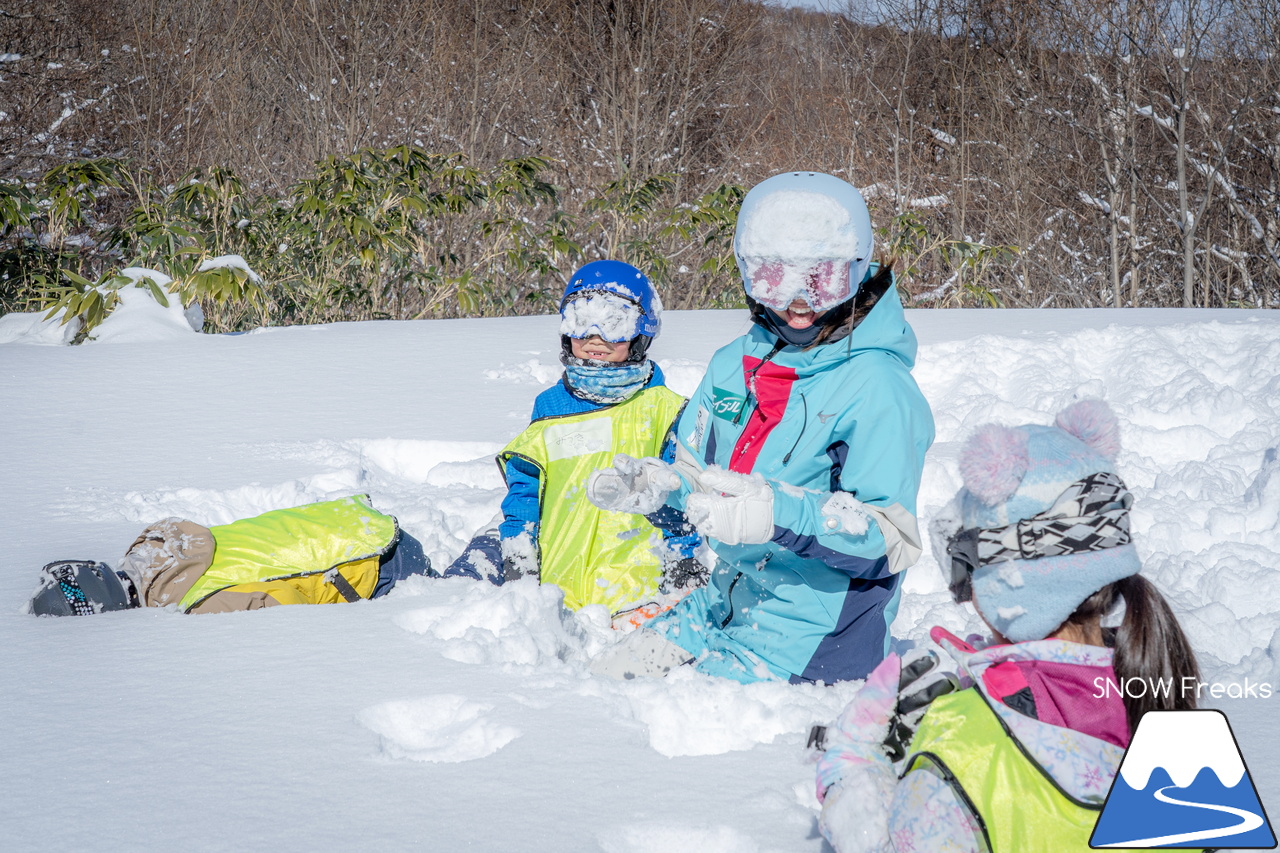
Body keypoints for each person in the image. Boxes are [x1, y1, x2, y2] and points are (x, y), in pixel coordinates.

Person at [587, 171, 934, 683]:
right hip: (722, 602)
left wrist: (777, 513)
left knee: (649, 729)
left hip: (813, 644)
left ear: (857, 271)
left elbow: (891, 541)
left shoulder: (879, 389)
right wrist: (663, 491)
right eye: (774, 277)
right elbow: (699, 480)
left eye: (821, 279)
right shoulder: (733, 364)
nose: (797, 303)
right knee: (604, 683)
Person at [814, 399, 1201, 853]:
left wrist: (857, 769)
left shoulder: (963, 749)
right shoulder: (1159, 693)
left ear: (1005, 585)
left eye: (963, 570)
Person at [441, 259, 703, 622]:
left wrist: (684, 562)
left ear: (641, 331)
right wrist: (520, 558)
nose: (595, 338)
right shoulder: (549, 407)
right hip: (557, 592)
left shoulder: (667, 411)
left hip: (635, 593)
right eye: (581, 320)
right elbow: (527, 490)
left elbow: (682, 497)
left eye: (614, 322)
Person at [28, 494, 432, 615]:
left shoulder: (200, 603)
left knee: (468, 590)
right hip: (345, 519)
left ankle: (490, 537)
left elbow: (296, 606)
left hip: (376, 560)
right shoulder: (152, 548)